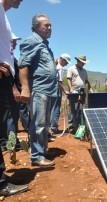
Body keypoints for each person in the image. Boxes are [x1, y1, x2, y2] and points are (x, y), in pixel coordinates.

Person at [19, 14, 57, 167]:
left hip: (47, 89)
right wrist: (25, 88)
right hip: (38, 89)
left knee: (45, 123)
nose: (49, 28)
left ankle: (43, 150)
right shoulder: (31, 41)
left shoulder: (44, 44)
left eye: (50, 26)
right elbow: (23, 65)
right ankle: (36, 156)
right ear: (36, 27)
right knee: (38, 124)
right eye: (46, 25)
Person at [0, 0, 28, 196]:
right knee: (10, 125)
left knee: (12, 122)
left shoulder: (12, 58)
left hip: (12, 95)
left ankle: (12, 149)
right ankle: (11, 149)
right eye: (13, 40)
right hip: (11, 92)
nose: (14, 42)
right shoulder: (14, 60)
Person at [67, 55, 92, 132]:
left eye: (84, 63)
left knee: (81, 108)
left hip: (82, 91)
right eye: (82, 62)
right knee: (73, 108)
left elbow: (86, 81)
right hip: (74, 91)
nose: (83, 64)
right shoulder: (71, 69)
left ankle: (79, 124)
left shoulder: (84, 71)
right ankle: (71, 125)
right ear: (78, 61)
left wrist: (90, 89)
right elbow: (68, 79)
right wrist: (71, 88)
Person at [50, 53, 71, 135]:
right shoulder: (60, 68)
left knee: (49, 108)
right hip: (56, 90)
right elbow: (59, 82)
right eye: (66, 62)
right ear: (62, 60)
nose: (66, 65)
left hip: (49, 89)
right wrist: (65, 91)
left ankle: (49, 127)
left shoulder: (53, 65)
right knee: (56, 108)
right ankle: (53, 128)